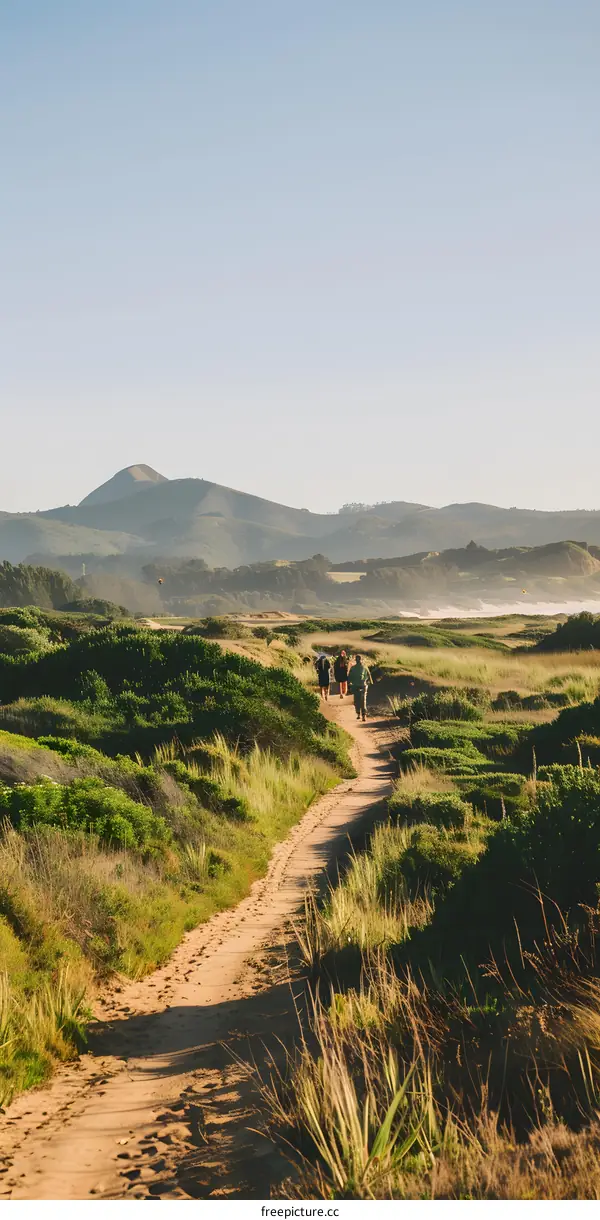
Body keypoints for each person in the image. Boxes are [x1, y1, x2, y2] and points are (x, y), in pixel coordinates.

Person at [348, 653, 372, 721]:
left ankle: (358, 714)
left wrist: (350, 684)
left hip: (355, 686)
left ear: (356, 660)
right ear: (361, 660)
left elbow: (349, 677)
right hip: (363, 685)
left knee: (356, 700)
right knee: (363, 700)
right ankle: (364, 715)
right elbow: (369, 677)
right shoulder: (365, 667)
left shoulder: (353, 668)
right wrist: (368, 683)